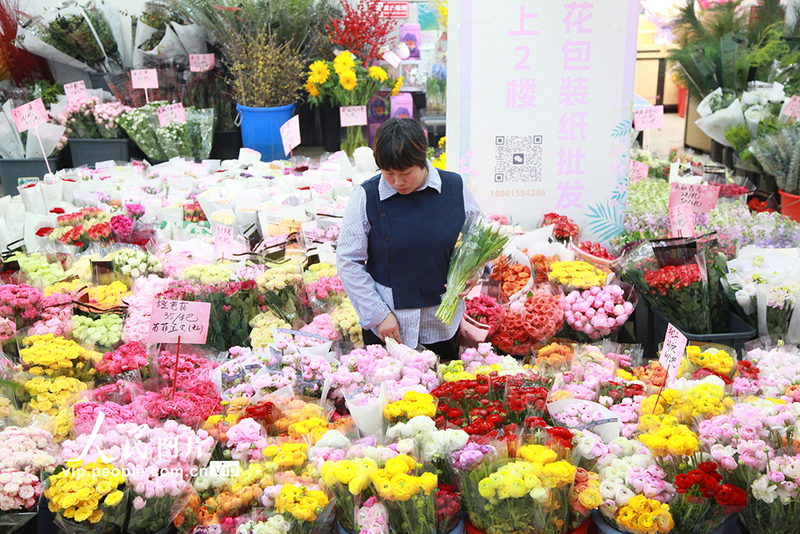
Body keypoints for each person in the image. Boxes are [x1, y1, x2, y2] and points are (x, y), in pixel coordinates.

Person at [337, 118, 482, 360]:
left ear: (423, 160)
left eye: (405, 173)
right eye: (388, 173)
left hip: (441, 325)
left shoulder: (454, 188)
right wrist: (379, 315)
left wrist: (474, 272)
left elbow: (477, 238)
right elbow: (348, 261)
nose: (397, 182)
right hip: (388, 329)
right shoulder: (366, 195)